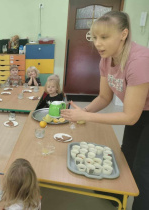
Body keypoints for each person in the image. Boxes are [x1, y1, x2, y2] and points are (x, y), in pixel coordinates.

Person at [61, 11, 149, 210]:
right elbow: (104, 97)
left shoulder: (139, 60)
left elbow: (130, 116)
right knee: (127, 154)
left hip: (142, 112)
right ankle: (118, 196)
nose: (97, 43)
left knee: (143, 167)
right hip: (138, 110)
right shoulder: (106, 59)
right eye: (95, 38)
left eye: (104, 37)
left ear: (123, 34)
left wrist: (86, 116)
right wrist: (82, 111)